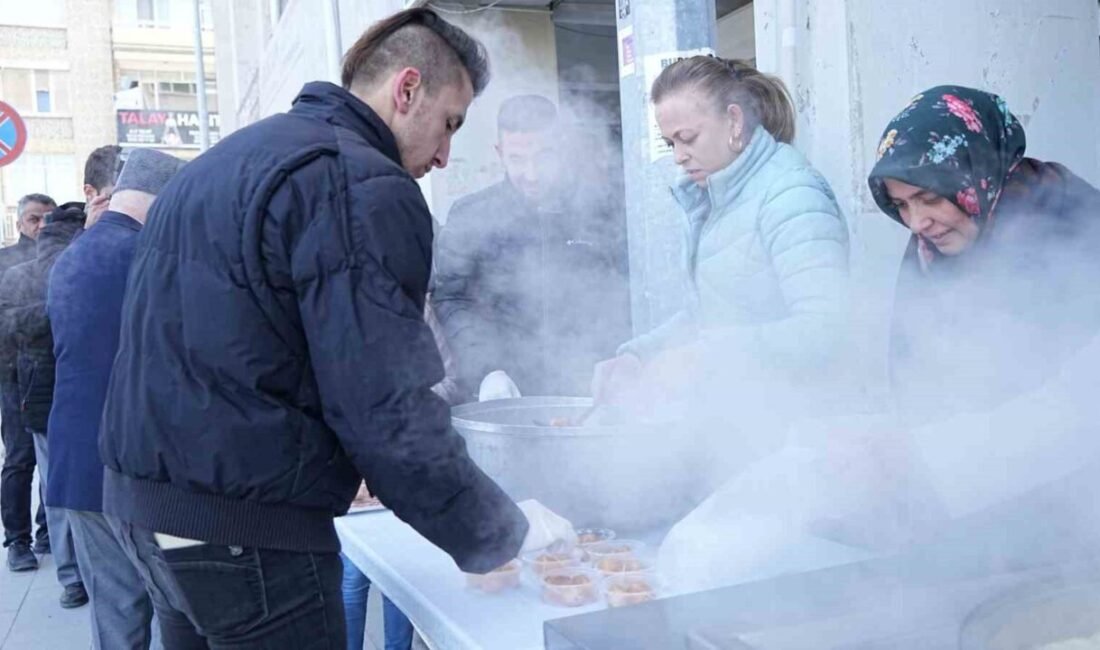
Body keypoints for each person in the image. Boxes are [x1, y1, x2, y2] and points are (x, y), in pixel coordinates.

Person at [99, 9, 574, 649]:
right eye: (449, 123)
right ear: (407, 89)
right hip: (248, 532)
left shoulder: (227, 160)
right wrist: (499, 529)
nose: (444, 154)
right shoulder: (360, 184)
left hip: (148, 514)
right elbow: (384, 405)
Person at [866, 86, 1100, 552]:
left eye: (928, 197)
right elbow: (915, 373)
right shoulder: (933, 250)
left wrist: (930, 454)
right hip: (976, 509)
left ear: (973, 170)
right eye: (902, 205)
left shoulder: (1072, 224)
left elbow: (1077, 412)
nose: (916, 222)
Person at [592, 57, 849, 460]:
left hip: (797, 439)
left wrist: (705, 357)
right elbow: (708, 315)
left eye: (688, 138)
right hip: (739, 432)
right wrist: (638, 356)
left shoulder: (792, 195)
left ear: (733, 121)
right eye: (671, 143)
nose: (678, 156)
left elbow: (826, 328)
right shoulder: (720, 196)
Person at [47, 149, 185, 649]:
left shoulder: (71, 255)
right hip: (140, 466)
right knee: (182, 604)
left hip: (76, 465)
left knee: (116, 613)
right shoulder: (151, 258)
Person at [432, 94, 630, 400]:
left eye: (544, 156)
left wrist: (620, 359)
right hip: (506, 391)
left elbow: (623, 293)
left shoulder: (599, 212)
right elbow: (452, 299)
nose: (532, 174)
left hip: (589, 387)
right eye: (517, 160)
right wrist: (486, 371)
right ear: (500, 153)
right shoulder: (471, 215)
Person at [1, 193, 55, 572]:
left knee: (53, 457)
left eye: (48, 219)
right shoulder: (5, 262)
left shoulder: (61, 260)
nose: (41, 226)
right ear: (20, 222)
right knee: (21, 458)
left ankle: (46, 530)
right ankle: (17, 540)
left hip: (51, 372)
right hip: (13, 375)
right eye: (34, 219)